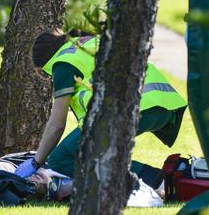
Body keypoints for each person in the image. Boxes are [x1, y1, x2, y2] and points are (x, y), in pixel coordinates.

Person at [14, 29, 188, 190]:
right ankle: (161, 180)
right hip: (163, 105)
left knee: (60, 159)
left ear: (45, 62)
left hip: (126, 108)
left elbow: (56, 125)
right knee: (95, 154)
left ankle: (154, 180)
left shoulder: (63, 63)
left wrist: (36, 162)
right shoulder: (85, 43)